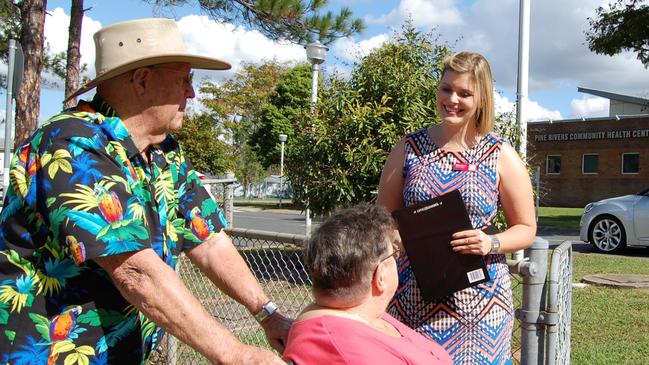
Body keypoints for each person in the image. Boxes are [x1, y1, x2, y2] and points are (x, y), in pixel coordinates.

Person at [0, 18, 290, 365]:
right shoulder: (72, 143)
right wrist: (235, 354)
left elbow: (209, 242)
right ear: (142, 79)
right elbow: (135, 271)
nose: (191, 93)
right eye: (184, 79)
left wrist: (268, 315)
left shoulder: (163, 152)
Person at [377, 51, 537, 364]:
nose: (452, 99)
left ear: (482, 99)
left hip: (480, 308)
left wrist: (491, 242)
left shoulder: (500, 154)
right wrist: (395, 238)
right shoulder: (408, 150)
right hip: (413, 298)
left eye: (464, 93)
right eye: (446, 88)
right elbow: (382, 219)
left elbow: (527, 228)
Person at [282, 204, 452, 365]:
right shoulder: (344, 346)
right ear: (381, 276)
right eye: (394, 254)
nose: (397, 259)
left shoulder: (358, 311)